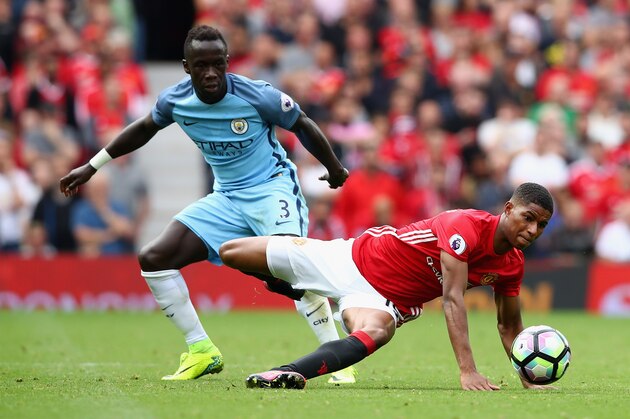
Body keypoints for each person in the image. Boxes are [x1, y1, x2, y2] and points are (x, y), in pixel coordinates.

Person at [59, 25, 353, 383]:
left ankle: (340, 361)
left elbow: (302, 123)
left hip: (271, 190)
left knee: (289, 273)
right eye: (201, 65)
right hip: (226, 198)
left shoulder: (256, 95)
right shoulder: (176, 100)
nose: (210, 73)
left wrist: (335, 168)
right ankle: (201, 350)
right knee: (155, 258)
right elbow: (143, 128)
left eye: (217, 64)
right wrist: (92, 166)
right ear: (186, 66)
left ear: (228, 63)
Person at [219, 182, 556, 391]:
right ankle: (289, 285)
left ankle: (284, 374)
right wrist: (468, 371)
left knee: (378, 332)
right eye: (528, 217)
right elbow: (452, 299)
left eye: (541, 224)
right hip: (350, 259)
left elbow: (509, 325)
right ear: (509, 208)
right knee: (231, 253)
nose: (533, 229)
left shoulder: (511, 265)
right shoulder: (464, 226)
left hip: (384, 301)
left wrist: (528, 372)